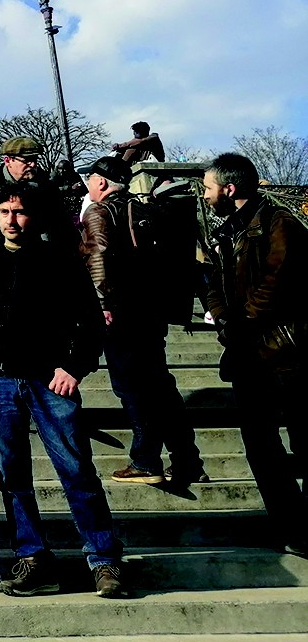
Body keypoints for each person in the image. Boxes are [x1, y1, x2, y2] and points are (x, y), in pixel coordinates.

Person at [0, 181, 127, 598]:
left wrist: (74, 366)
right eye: (4, 212)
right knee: (12, 477)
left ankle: (104, 559)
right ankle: (33, 558)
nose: (11, 221)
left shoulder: (59, 260)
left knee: (76, 471)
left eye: (19, 212)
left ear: (33, 216)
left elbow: (90, 320)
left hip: (49, 380)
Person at [202, 152, 307, 556]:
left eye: (209, 189)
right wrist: (222, 315)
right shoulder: (225, 232)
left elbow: (281, 279)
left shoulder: (280, 224)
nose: (206, 196)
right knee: (260, 448)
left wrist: (241, 320)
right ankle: (293, 526)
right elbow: (213, 279)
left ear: (230, 189)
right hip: (248, 356)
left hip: (288, 352)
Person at [80, 156, 205, 488]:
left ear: (102, 182)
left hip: (122, 313)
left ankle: (145, 461)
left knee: (132, 388)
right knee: (160, 386)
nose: (88, 186)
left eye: (90, 179)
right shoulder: (142, 208)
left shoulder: (100, 211)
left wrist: (103, 303)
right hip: (151, 311)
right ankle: (188, 460)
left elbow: (99, 254)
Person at [0, 137, 75, 250]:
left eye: (35, 159)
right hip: (2, 259)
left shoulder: (48, 188)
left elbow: (64, 226)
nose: (33, 164)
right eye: (27, 160)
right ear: (8, 161)